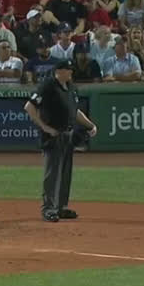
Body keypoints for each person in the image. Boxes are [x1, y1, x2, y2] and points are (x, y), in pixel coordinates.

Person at [25, 59, 98, 222]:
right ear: (59, 71)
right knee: (53, 173)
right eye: (68, 69)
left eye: (71, 69)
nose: (71, 72)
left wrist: (90, 125)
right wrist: (45, 128)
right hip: (53, 136)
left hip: (68, 135)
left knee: (65, 172)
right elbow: (29, 107)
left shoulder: (71, 87)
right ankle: (48, 208)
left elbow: (75, 111)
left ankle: (60, 207)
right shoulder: (48, 86)